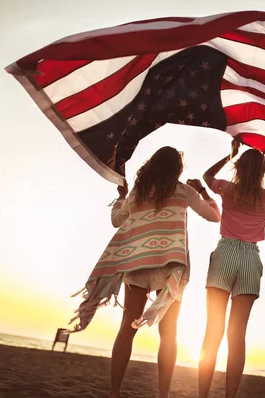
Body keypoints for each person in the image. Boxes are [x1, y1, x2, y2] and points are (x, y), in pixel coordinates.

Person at [68, 146, 221, 398]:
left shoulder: (138, 192)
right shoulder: (184, 191)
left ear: (151, 165)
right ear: (177, 169)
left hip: (137, 264)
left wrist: (121, 196)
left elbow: (117, 220)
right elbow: (215, 216)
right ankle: (163, 395)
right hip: (169, 267)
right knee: (168, 333)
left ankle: (114, 392)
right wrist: (204, 192)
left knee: (127, 329)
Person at [198, 139, 265, 398]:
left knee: (213, 330)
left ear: (239, 169)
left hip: (225, 253)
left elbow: (207, 176)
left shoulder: (228, 189)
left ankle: (202, 395)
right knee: (238, 335)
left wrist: (230, 154)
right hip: (249, 258)